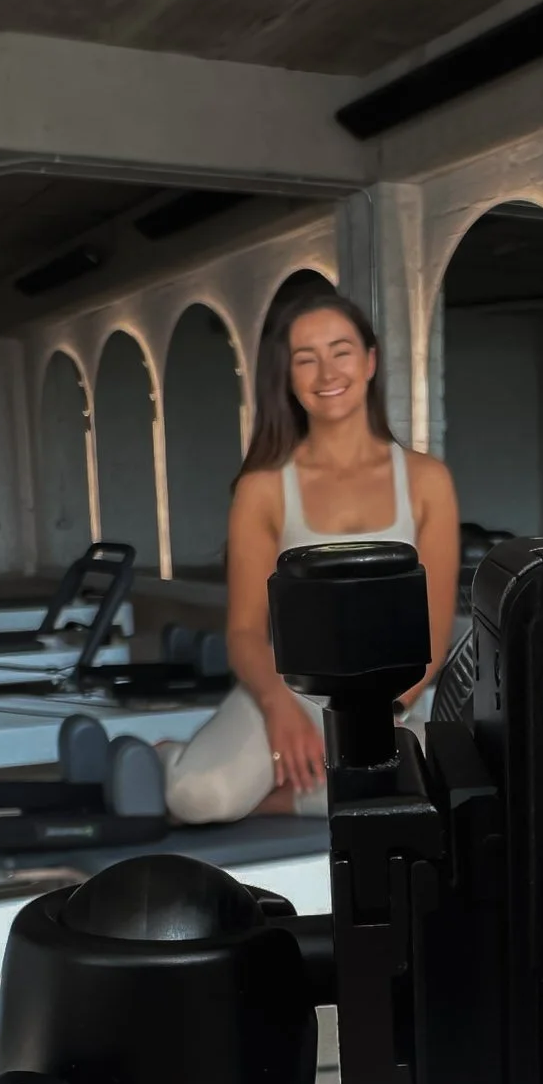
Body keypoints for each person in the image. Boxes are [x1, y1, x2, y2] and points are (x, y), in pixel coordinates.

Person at [160, 291, 459, 824]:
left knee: (427, 791)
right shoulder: (263, 487)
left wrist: (377, 717)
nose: (326, 372)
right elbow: (246, 633)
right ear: (289, 377)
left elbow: (432, 633)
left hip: (392, 697)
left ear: (369, 361)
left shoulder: (427, 481)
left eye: (340, 351)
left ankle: (279, 797)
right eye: (306, 358)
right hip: (293, 688)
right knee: (198, 798)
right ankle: (164, 757)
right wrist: (279, 710)